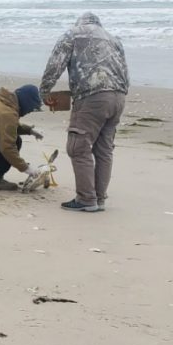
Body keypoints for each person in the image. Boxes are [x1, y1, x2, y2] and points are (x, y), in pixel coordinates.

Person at [40, 12, 129, 212]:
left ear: (79, 23)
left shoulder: (73, 34)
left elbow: (55, 65)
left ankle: (86, 199)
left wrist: (45, 91)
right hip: (118, 97)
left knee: (78, 147)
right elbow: (125, 71)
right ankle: (99, 198)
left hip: (92, 96)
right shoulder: (114, 39)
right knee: (104, 150)